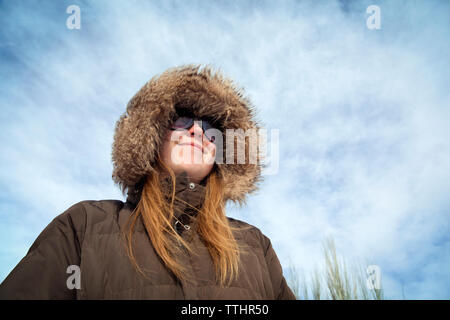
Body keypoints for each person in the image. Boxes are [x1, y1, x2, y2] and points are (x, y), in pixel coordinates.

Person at [0, 65, 296, 299]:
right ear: (151, 135)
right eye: (181, 120)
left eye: (209, 128)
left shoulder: (255, 247)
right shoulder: (83, 227)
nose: (196, 132)